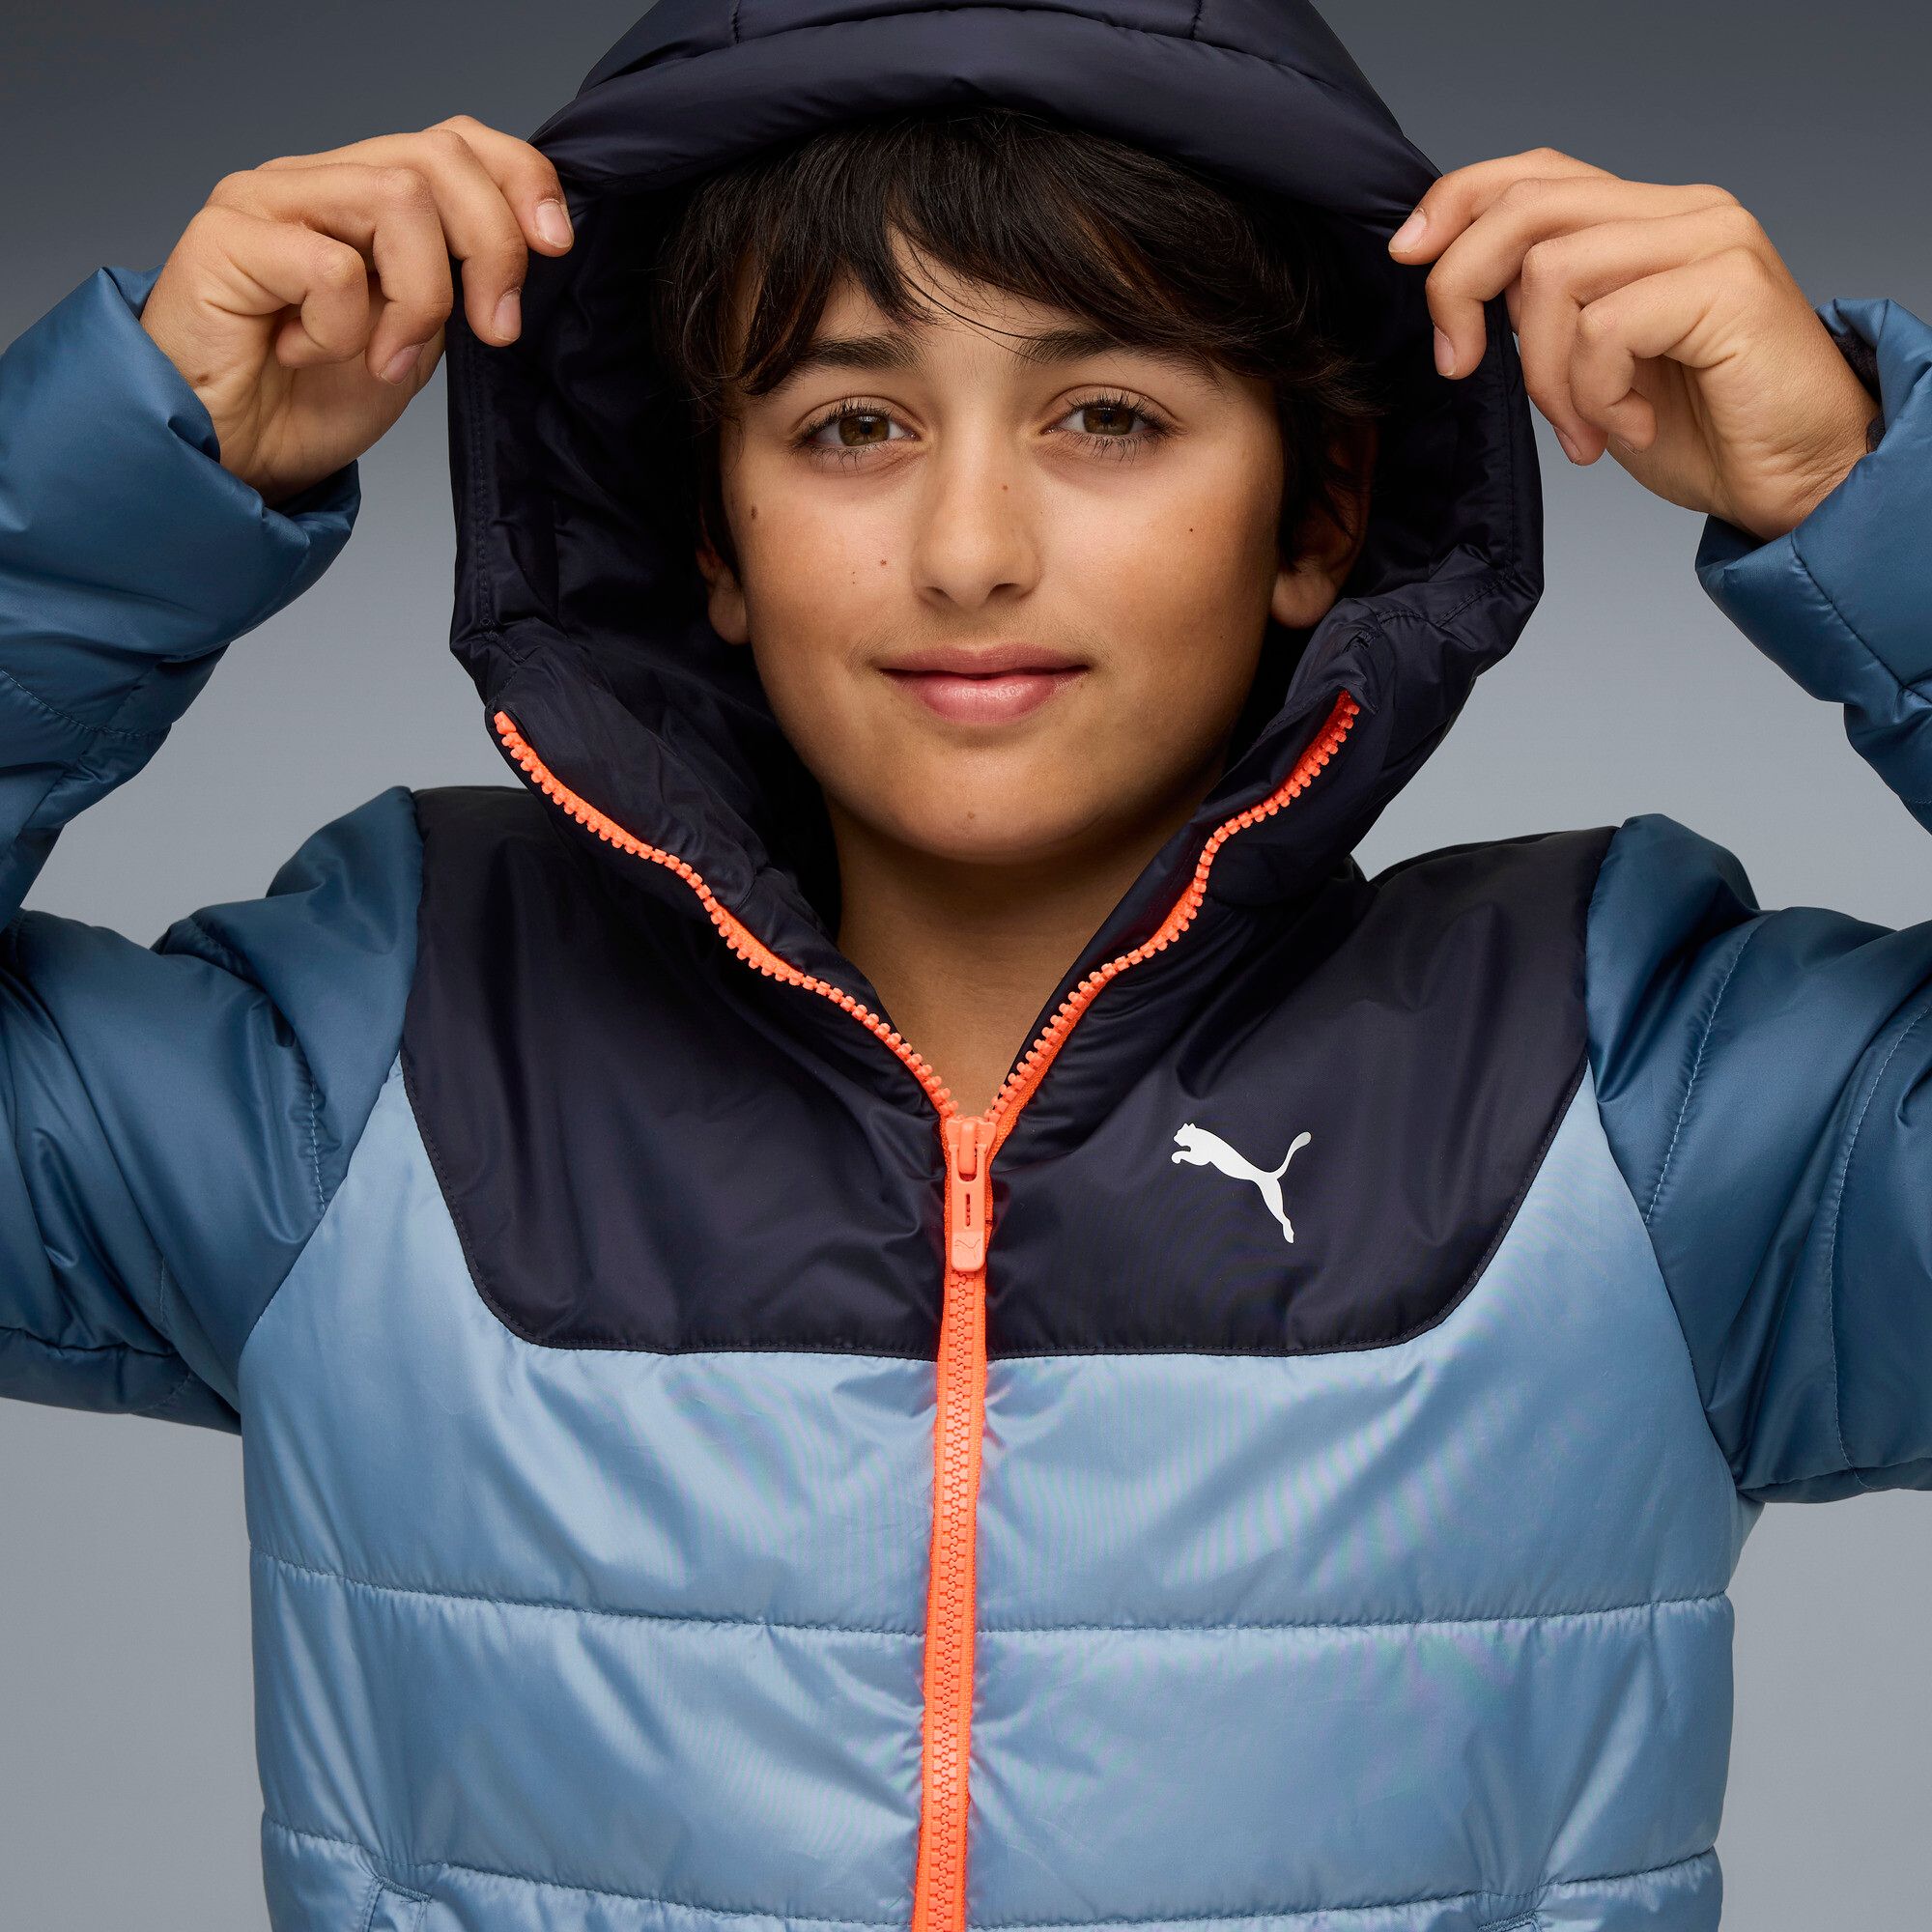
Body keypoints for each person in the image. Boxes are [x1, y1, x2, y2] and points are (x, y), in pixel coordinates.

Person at [1, 3, 1924, 1929]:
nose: (970, 549)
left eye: (1110, 418)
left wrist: (1860, 494)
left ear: (1318, 512)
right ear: (714, 534)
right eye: (852, 426)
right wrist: (117, 494)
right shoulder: (387, 1053)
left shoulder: (1634, 1095)